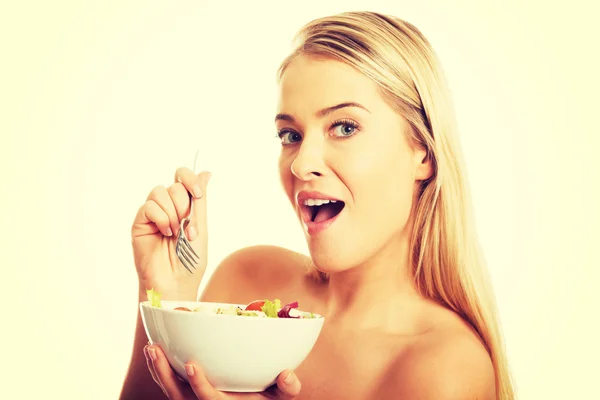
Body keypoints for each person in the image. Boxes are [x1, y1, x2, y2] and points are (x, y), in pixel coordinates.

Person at [119, 10, 514, 400]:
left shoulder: (444, 370)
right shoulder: (244, 281)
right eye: (290, 134)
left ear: (423, 154)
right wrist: (165, 298)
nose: (302, 162)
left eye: (345, 127)